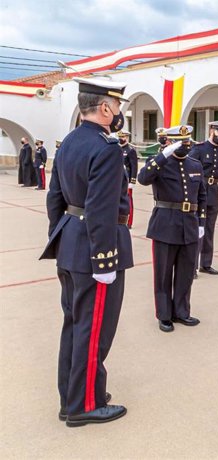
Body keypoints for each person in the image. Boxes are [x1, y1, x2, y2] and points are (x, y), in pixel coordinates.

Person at [40, 77, 133, 427]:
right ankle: (83, 405)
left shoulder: (69, 143)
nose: (119, 112)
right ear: (106, 108)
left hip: (70, 242)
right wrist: (104, 259)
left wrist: (62, 237)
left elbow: (55, 199)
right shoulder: (106, 147)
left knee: (74, 325)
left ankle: (73, 395)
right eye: (118, 106)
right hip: (95, 250)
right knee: (93, 330)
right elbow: (101, 208)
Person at [137, 125, 206, 332]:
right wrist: (162, 156)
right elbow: (142, 178)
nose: (186, 146)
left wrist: (201, 222)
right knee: (164, 273)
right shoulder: (159, 164)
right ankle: (164, 314)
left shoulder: (195, 164)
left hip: (189, 225)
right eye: (181, 142)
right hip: (165, 224)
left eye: (187, 142)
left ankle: (181, 311)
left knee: (185, 273)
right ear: (170, 142)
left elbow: (202, 195)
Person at [188, 120, 218, 275]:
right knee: (197, 230)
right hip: (199, 192)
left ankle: (206, 264)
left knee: (209, 230)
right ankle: (191, 266)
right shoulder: (199, 149)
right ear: (212, 131)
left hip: (213, 193)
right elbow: (190, 170)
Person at [118, 130, 138, 229]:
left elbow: (134, 167)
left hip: (127, 180)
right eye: (120, 137)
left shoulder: (130, 150)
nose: (121, 139)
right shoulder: (116, 149)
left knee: (128, 201)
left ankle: (129, 222)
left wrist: (132, 181)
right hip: (118, 180)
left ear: (127, 138)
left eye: (123, 137)